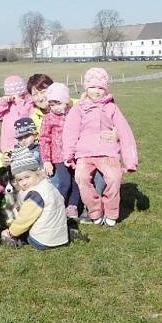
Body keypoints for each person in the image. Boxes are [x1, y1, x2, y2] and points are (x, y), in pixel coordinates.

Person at [63, 68, 138, 227]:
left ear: (105, 89)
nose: (96, 91)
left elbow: (125, 133)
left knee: (114, 178)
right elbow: (70, 131)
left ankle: (111, 212)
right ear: (86, 87)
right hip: (85, 153)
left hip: (107, 152)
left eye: (100, 88)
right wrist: (69, 154)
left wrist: (130, 161)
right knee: (81, 178)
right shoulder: (79, 108)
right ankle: (95, 211)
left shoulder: (112, 108)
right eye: (93, 87)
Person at [0, 147, 69, 250]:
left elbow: (25, 219)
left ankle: (16, 240)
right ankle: (70, 229)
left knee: (23, 230)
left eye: (27, 177)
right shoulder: (47, 184)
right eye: (19, 180)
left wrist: (11, 232)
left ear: (36, 172)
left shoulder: (35, 194)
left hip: (43, 240)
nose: (24, 182)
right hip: (60, 235)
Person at [39, 83, 80, 221]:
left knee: (77, 181)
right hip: (58, 157)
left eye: (58, 103)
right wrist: (47, 161)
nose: (55, 107)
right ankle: (56, 206)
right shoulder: (48, 118)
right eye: (51, 104)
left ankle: (72, 206)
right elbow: (44, 139)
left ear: (66, 101)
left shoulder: (74, 114)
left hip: (75, 156)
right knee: (64, 182)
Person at [0, 75, 35, 153]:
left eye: (20, 95)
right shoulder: (7, 105)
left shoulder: (28, 103)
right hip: (8, 145)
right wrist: (2, 101)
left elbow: (26, 117)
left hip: (26, 144)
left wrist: (19, 102)